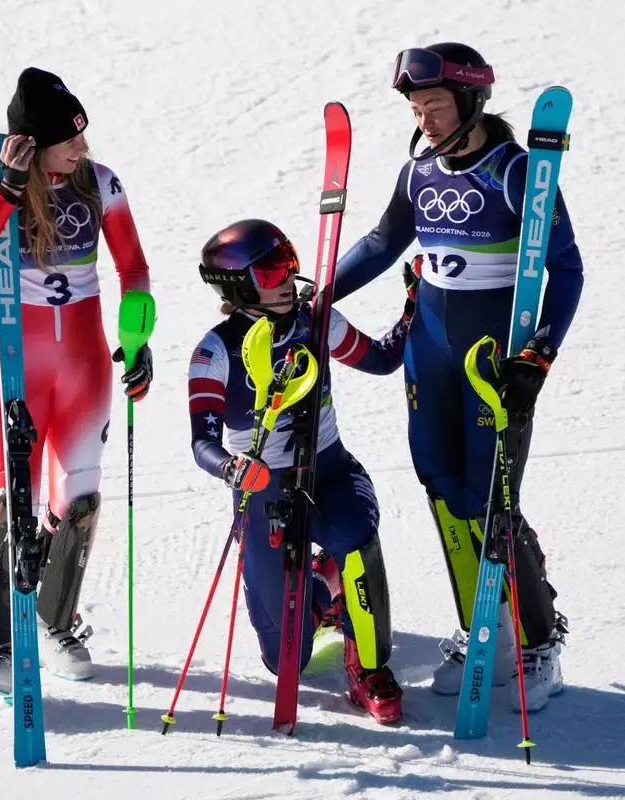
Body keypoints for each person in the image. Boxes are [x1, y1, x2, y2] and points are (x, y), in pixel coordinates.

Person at [330, 43, 584, 712]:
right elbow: (384, 244)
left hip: (492, 362)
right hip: (428, 352)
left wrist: (538, 357)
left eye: (436, 105)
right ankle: (484, 629)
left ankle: (536, 638)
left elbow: (569, 270)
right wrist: (321, 295)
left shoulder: (516, 172)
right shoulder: (419, 173)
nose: (427, 119)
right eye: (417, 108)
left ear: (471, 101)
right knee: (442, 488)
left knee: (492, 498)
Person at [0, 67, 154, 694]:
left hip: (85, 361)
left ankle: (55, 620)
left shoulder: (100, 183)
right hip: (16, 360)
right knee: (14, 496)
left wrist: (137, 339)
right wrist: (6, 194)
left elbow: (134, 268)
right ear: (34, 142)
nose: (83, 148)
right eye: (70, 140)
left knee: (80, 500)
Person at [187, 219, 413, 724]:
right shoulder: (214, 352)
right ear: (240, 285)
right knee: (285, 659)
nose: (288, 279)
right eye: (271, 273)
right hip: (265, 490)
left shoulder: (316, 321)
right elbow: (202, 443)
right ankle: (320, 589)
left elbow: (380, 359)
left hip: (329, 470)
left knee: (355, 535)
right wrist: (232, 467)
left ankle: (370, 665)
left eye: (289, 263)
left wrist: (413, 313)